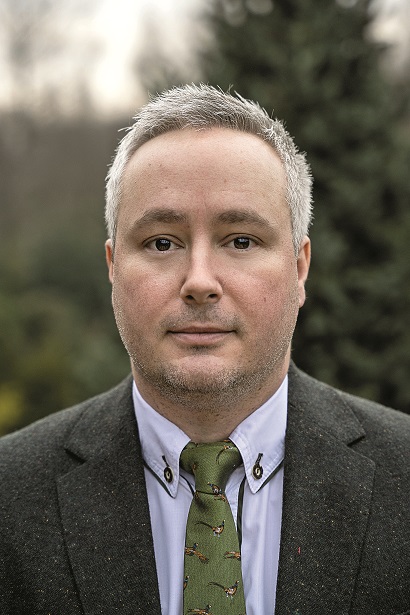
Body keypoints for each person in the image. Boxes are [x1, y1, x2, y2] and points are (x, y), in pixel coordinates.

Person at [0, 84, 409, 615]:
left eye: (241, 240)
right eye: (161, 242)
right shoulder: (10, 497)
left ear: (300, 268)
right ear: (112, 268)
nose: (199, 281)